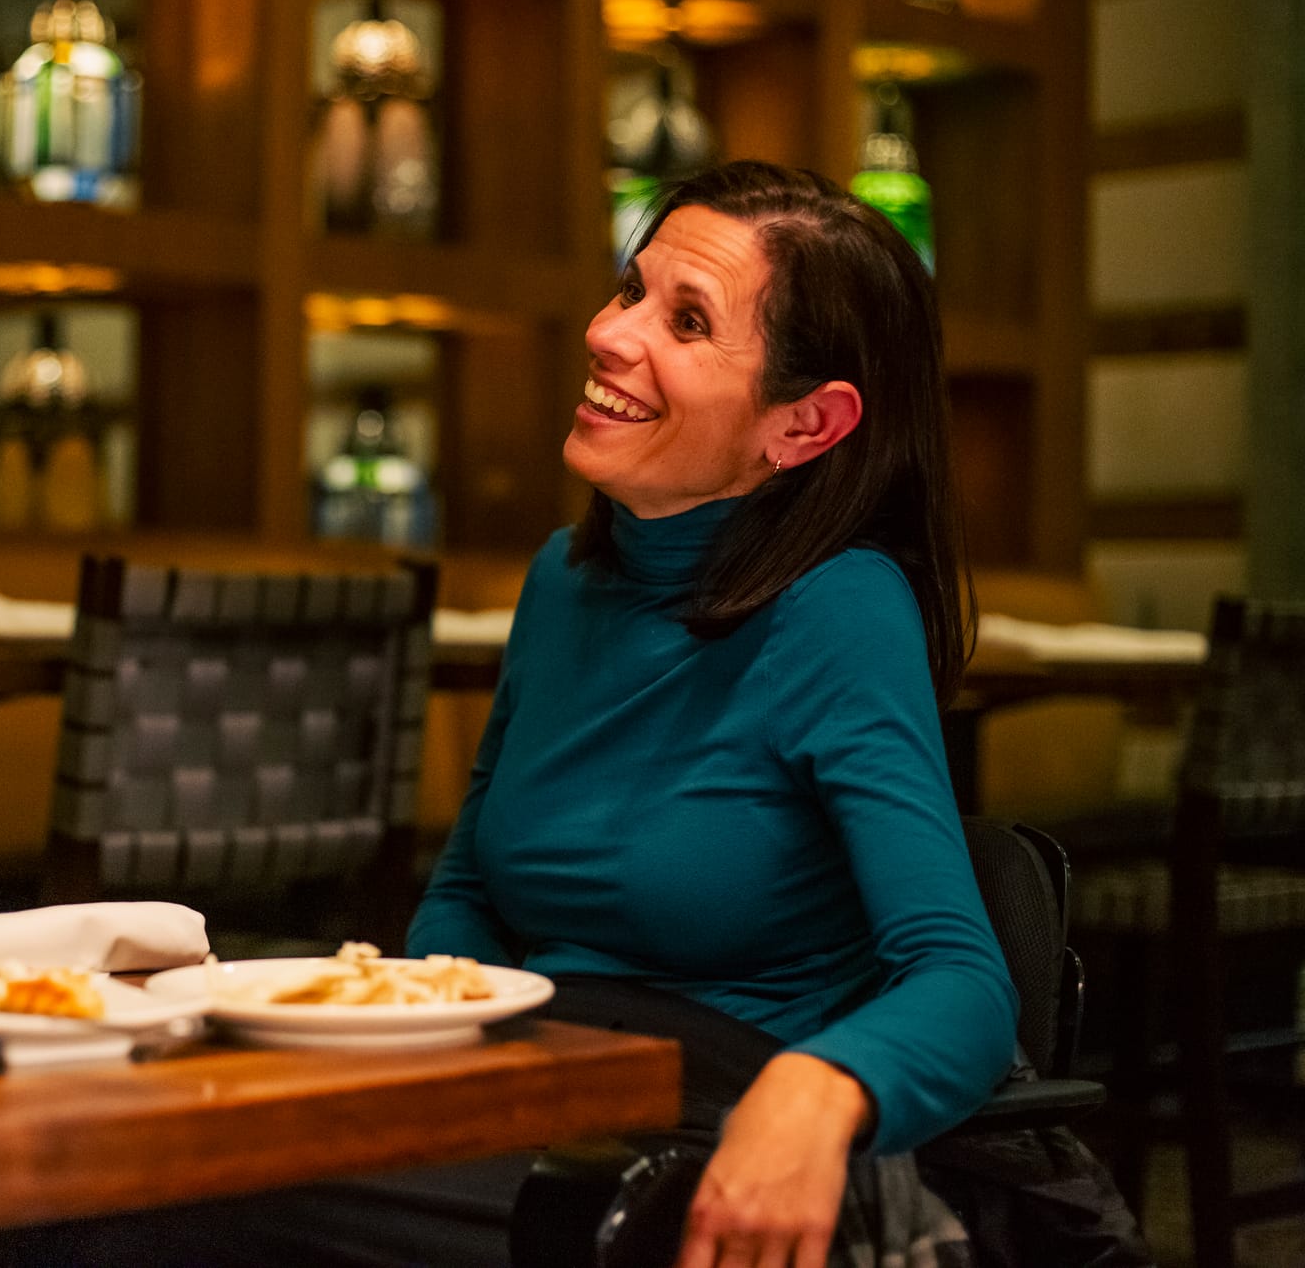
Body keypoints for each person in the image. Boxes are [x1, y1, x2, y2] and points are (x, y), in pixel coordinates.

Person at [404, 158, 1018, 1266]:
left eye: (686, 321)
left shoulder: (837, 606)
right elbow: (464, 892)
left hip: (706, 1129)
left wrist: (820, 1089)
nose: (608, 332)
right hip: (532, 1091)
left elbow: (962, 981)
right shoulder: (563, 579)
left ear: (805, 424)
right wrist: (447, 1039)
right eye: (629, 289)